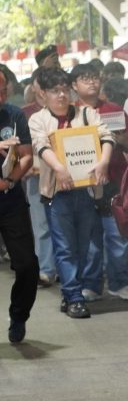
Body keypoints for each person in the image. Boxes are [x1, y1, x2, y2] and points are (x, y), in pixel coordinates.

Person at [29, 68, 113, 319]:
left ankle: (70, 292)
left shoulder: (87, 113)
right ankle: (75, 297)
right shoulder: (38, 119)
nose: (62, 95)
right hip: (57, 193)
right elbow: (41, 145)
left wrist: (104, 163)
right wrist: (59, 169)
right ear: (43, 93)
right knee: (65, 248)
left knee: (84, 247)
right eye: (55, 91)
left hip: (86, 191)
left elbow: (106, 137)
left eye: (65, 89)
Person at [71, 64, 128, 302]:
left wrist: (124, 140)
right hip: (82, 184)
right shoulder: (70, 113)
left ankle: (119, 281)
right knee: (90, 239)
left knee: (118, 235)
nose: (91, 82)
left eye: (94, 78)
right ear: (74, 86)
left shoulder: (113, 110)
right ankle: (91, 283)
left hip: (115, 182)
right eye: (84, 79)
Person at [0, 68, 38, 343]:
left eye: (3, 88)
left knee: (26, 264)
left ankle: (19, 315)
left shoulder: (14, 115)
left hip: (10, 199)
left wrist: (10, 181)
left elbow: (26, 155)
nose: (1, 94)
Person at [21, 74, 55, 287]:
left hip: (62, 176)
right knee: (41, 225)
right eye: (39, 86)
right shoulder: (23, 113)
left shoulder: (66, 110)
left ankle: (62, 267)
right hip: (34, 176)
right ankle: (45, 269)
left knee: (62, 225)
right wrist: (20, 167)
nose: (42, 89)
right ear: (33, 88)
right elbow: (16, 145)